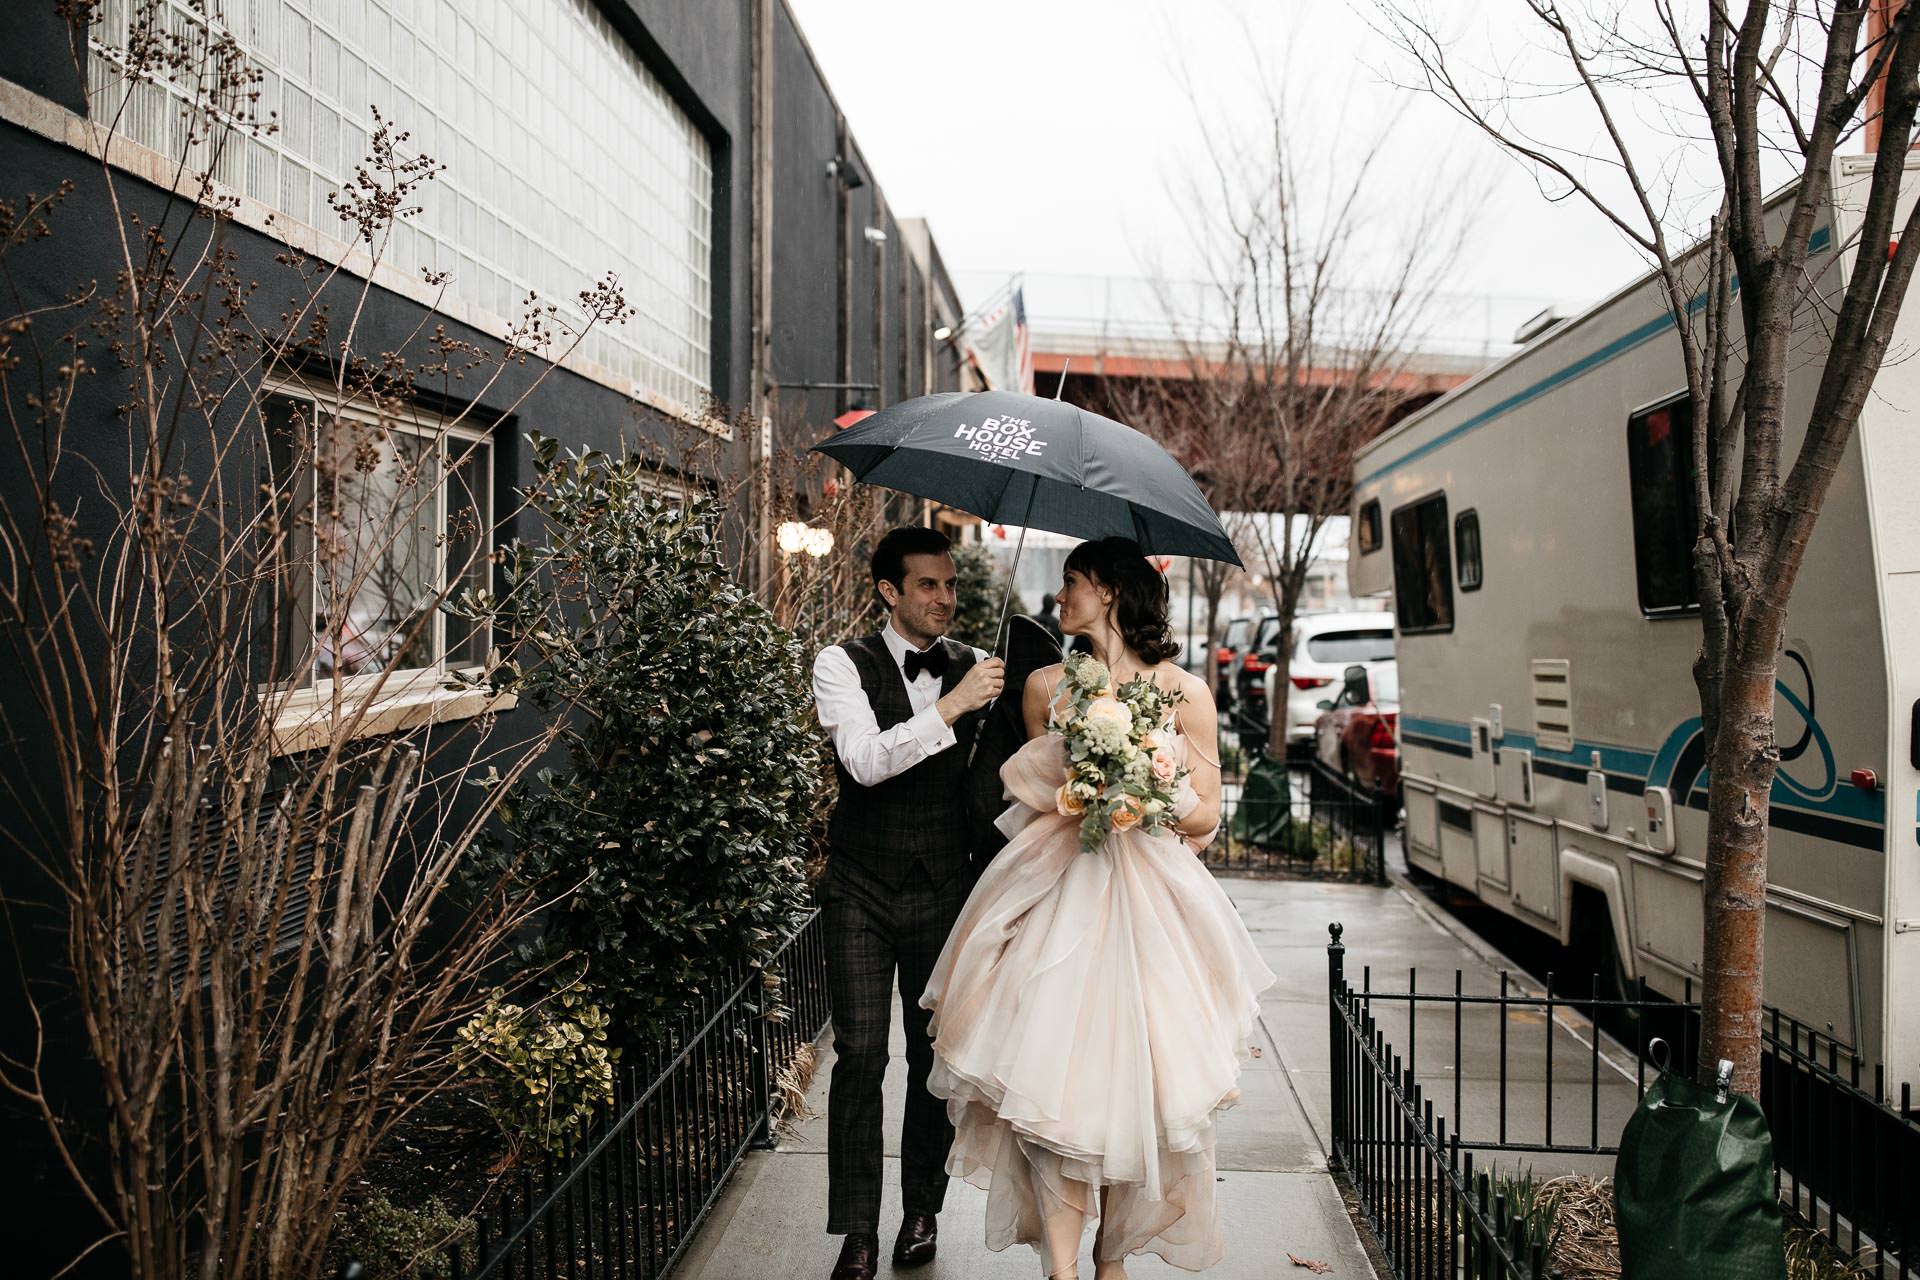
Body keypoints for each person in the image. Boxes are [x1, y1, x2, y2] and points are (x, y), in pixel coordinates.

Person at [919, 536, 1277, 1279]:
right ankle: (1061, 1270)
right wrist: (1088, 785)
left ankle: (1111, 1263)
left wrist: (1143, 791)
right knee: (1053, 1084)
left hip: (1154, 905)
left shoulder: (1186, 691)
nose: (1060, 597)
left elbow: (1207, 814)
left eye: (1073, 582)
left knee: (1137, 1093)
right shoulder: (1046, 687)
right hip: (1059, 890)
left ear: (1109, 592)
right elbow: (1030, 789)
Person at [811, 526, 1007, 1280]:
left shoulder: (978, 671)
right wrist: (951, 708)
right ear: (890, 592)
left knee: (934, 1061)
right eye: (928, 585)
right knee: (861, 1057)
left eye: (951, 585)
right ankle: (857, 1230)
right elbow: (862, 762)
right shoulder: (840, 664)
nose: (945, 599)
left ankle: (921, 1210)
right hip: (858, 885)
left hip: (943, 889)